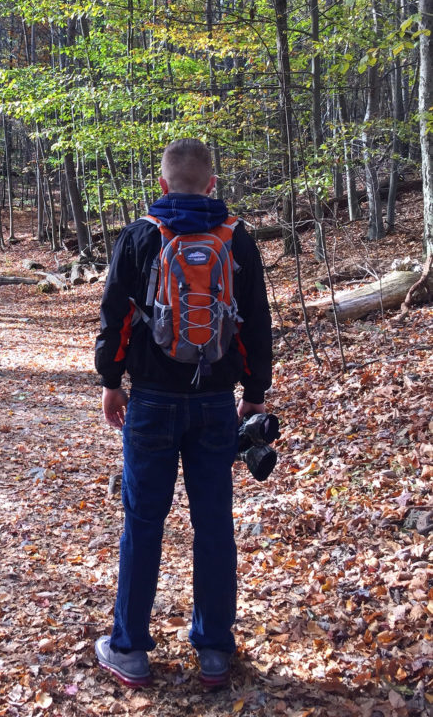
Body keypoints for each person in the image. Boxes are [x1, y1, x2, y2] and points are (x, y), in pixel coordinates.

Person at [94, 138, 272, 690]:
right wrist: (255, 393)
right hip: (216, 405)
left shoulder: (141, 235)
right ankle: (215, 651)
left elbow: (115, 315)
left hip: (149, 401)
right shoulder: (237, 240)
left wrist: (110, 380)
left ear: (164, 183)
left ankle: (129, 650)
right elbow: (255, 326)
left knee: (143, 525)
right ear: (212, 185)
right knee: (214, 525)